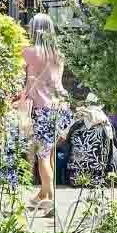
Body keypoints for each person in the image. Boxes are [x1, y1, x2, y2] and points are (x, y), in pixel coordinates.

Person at [21, 11, 74, 218]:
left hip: (42, 109)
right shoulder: (59, 54)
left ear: (35, 30)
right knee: (49, 153)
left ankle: (50, 199)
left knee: (42, 156)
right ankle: (41, 195)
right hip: (61, 109)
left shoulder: (29, 52)